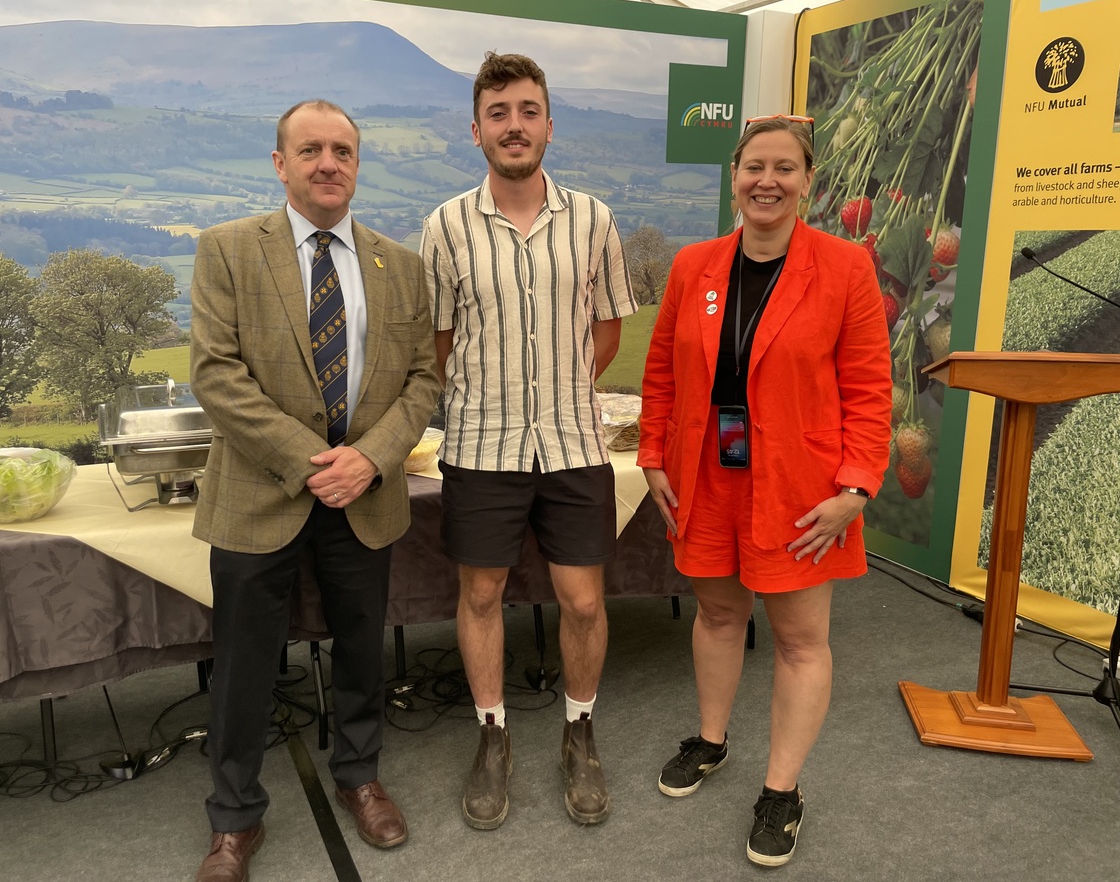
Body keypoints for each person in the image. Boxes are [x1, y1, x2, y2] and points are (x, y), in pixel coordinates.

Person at [189, 99, 440, 881]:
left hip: (366, 494)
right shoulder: (228, 250)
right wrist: (313, 462)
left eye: (342, 151)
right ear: (280, 164)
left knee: (363, 648)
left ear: (358, 165)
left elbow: (422, 379)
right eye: (310, 150)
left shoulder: (401, 266)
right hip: (257, 492)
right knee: (243, 664)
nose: (328, 163)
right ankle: (235, 818)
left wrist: (369, 459)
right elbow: (217, 376)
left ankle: (359, 776)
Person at [637, 115, 891, 867]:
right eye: (754, 166)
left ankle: (783, 790)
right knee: (718, 614)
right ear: (735, 176)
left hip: (801, 488)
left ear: (808, 181)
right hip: (705, 476)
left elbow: (870, 389)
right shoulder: (694, 266)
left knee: (800, 641)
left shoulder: (845, 267)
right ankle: (711, 740)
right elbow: (661, 370)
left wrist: (856, 487)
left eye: (785, 167)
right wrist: (653, 455)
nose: (767, 181)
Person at [420, 52, 637, 830]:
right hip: (483, 447)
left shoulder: (595, 220)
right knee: (481, 594)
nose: (514, 126)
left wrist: (559, 390)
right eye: (499, 113)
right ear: (476, 129)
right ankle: (493, 737)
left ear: (550, 124)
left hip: (574, 444)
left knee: (583, 599)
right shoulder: (445, 226)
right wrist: (497, 394)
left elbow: (606, 329)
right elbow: (440, 344)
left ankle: (579, 732)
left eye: (527, 111)